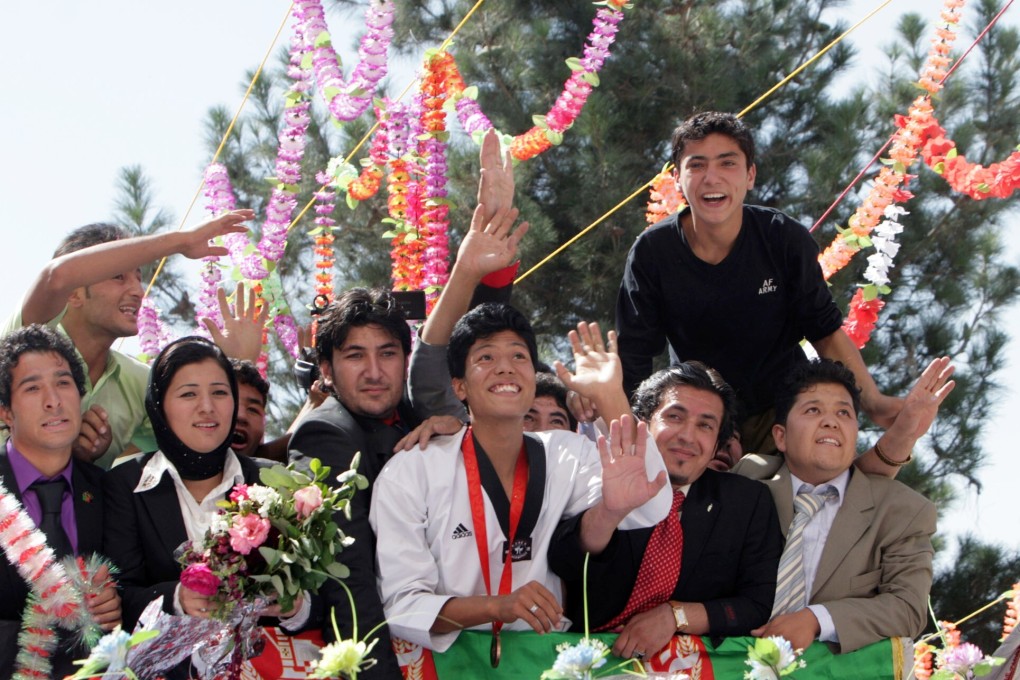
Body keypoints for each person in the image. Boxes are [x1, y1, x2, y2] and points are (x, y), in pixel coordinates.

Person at [370, 304, 671, 660]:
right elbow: (404, 606)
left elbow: (650, 501)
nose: (505, 367)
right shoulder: (412, 470)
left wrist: (609, 396)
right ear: (459, 387)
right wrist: (497, 607)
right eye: (485, 357)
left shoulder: (567, 454)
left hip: (541, 659)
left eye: (519, 355)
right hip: (449, 663)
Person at [616, 111, 904, 462]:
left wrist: (874, 402)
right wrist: (634, 435)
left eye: (727, 163)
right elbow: (634, 356)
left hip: (782, 409)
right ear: (677, 179)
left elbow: (825, 330)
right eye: (697, 165)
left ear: (750, 174)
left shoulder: (783, 238)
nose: (712, 178)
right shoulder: (652, 252)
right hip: (701, 415)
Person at [549, 362, 782, 661]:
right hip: (581, 660)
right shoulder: (598, 471)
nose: (687, 435)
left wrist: (675, 617)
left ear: (716, 447)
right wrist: (609, 512)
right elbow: (564, 564)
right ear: (643, 421)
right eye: (674, 416)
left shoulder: (748, 501)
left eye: (705, 426)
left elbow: (757, 604)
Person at [102, 337, 307, 668]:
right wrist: (177, 598)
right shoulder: (125, 484)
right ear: (159, 406)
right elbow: (119, 597)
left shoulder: (274, 481)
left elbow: (325, 591)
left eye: (220, 392)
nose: (207, 407)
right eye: (188, 394)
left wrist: (297, 605)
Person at [2, 212, 251, 468]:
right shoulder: (22, 344)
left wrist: (234, 367)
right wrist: (180, 242)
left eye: (138, 277)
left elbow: (203, 447)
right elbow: (57, 277)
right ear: (74, 293)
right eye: (118, 276)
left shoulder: (140, 384)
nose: (138, 291)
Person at [750, 358, 951, 655]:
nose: (831, 421)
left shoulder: (902, 511)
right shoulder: (748, 478)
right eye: (813, 409)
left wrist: (817, 619)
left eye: (844, 412)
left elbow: (907, 609)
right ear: (780, 436)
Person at [287, 287, 420, 679]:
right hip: (382, 650)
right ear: (326, 369)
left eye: (388, 353)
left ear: (407, 361)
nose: (375, 371)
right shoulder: (324, 432)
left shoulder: (423, 420)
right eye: (355, 355)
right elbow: (346, 578)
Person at [0, 325, 121, 676]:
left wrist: (114, 604)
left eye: (63, 383)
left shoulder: (109, 491)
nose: (53, 400)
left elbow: (131, 586)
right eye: (33, 387)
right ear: (5, 411)